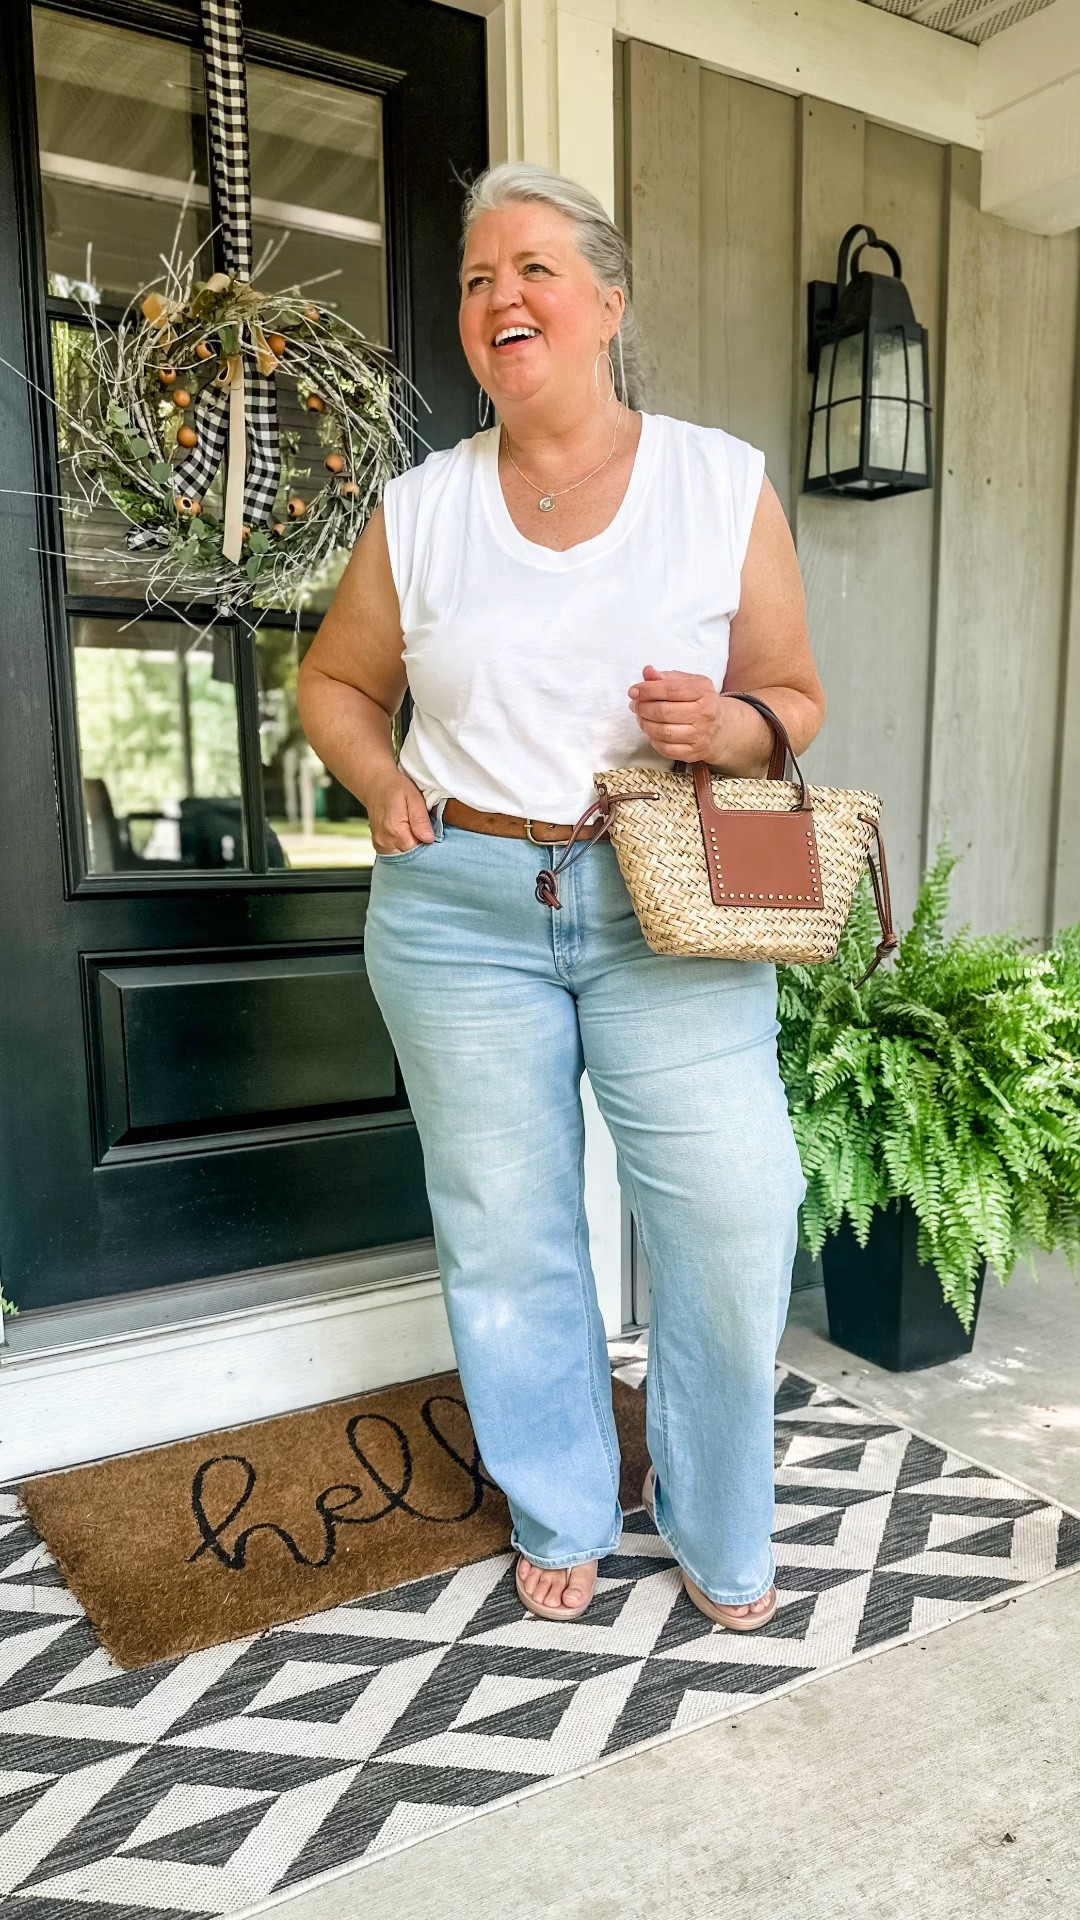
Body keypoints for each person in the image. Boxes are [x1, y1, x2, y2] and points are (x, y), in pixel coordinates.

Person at [297, 161, 824, 1629]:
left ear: (607, 303)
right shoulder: (420, 510)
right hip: (462, 904)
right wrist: (376, 781)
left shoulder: (718, 482)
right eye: (478, 279)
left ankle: (718, 1514)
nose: (501, 296)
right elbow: (336, 681)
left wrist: (725, 726)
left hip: (671, 897)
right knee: (507, 1227)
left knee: (733, 1212)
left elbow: (792, 694)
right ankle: (561, 1501)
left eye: (532, 268)